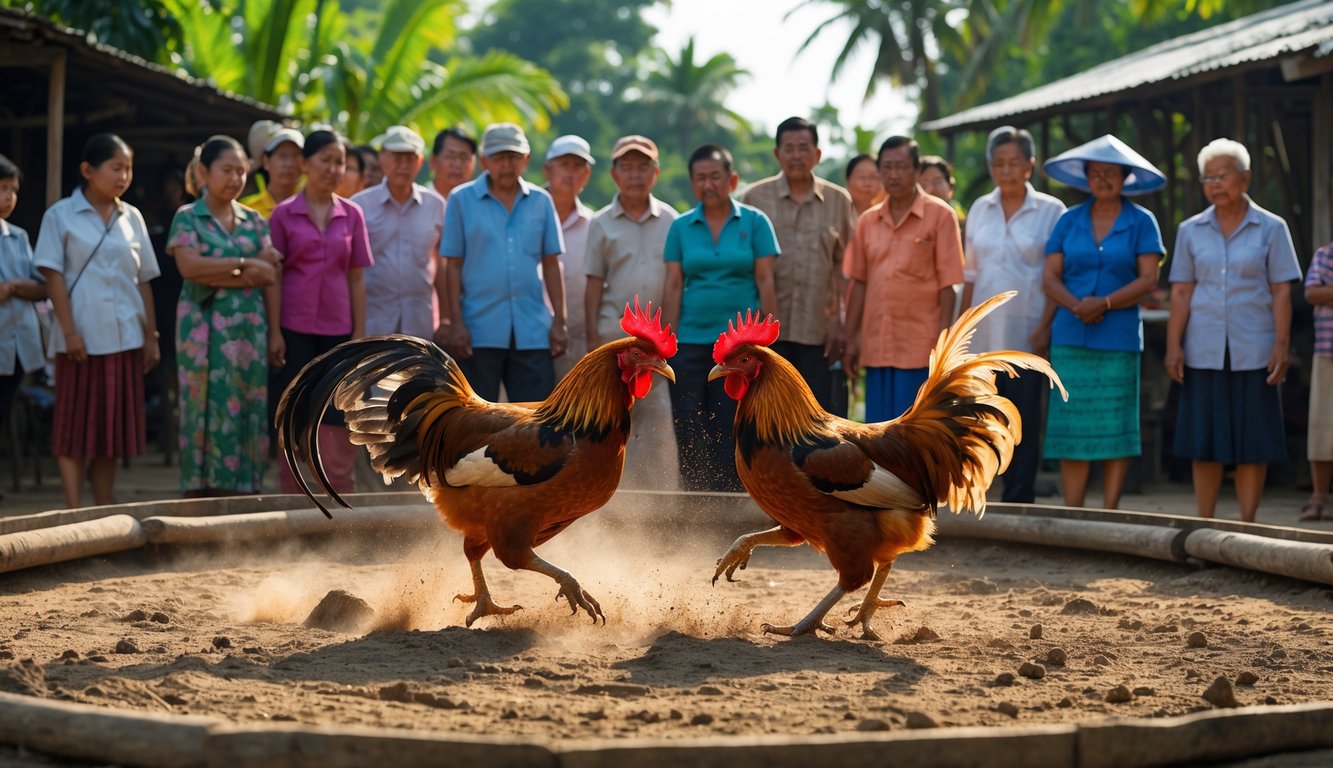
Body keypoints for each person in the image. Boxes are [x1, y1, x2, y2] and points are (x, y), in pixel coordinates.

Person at [1166, 138, 1302, 523]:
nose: (1214, 183)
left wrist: (1281, 344)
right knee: (1203, 440)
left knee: (1252, 441)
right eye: (1207, 177)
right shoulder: (1190, 230)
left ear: (1245, 178)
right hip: (1203, 346)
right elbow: (1180, 291)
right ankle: (1205, 522)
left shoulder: (1272, 228)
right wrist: (1174, 345)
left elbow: (1281, 290)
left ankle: (1247, 524)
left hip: (1254, 346)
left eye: (1222, 175)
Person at [34, 133, 161, 509]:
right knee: (73, 428)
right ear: (88, 170)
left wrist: (150, 336)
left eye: (129, 168)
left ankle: (103, 509)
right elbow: (52, 277)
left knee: (110, 432)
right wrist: (69, 331)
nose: (124, 176)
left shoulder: (132, 217)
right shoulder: (60, 216)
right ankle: (75, 510)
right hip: (81, 339)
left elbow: (144, 281)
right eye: (116, 167)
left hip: (125, 338)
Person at [1042, 134, 1166, 510]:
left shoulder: (1142, 222)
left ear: (1125, 177)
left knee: (1115, 425)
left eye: (1111, 173)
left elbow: (1149, 279)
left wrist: (1107, 303)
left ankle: (1109, 509)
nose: (1103, 180)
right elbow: (1049, 277)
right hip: (1070, 336)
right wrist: (1078, 306)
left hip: (1119, 338)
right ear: (1085, 178)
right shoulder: (1068, 220)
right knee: (1071, 425)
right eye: (1096, 173)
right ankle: (1073, 511)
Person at [168, 136, 281, 497]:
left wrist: (275, 331)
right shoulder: (188, 217)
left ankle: (244, 488)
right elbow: (189, 268)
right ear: (203, 172)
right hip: (201, 330)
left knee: (248, 400)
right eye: (226, 170)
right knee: (203, 401)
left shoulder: (255, 220)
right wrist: (246, 265)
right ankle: (200, 489)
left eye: (241, 171)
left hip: (251, 329)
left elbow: (270, 278)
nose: (235, 178)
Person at [663, 144, 779, 492]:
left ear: (732, 179)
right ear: (692, 183)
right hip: (690, 341)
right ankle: (693, 496)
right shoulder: (681, 227)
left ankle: (730, 498)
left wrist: (768, 342)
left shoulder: (756, 222)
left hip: (739, 345)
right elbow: (673, 284)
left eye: (715, 176)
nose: (708, 184)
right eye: (700, 178)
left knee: (730, 423)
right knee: (686, 420)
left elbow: (766, 281)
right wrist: (665, 345)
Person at [960, 126, 1066, 504]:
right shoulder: (979, 209)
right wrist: (960, 329)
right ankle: (983, 497)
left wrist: (1045, 327)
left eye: (1014, 163)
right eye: (999, 163)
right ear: (990, 166)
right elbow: (970, 275)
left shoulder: (1052, 211)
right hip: (984, 336)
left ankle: (1020, 497)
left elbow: (1056, 274)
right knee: (982, 420)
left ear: (1030, 166)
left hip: (1029, 331)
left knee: (1024, 419)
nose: (1006, 171)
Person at [268, 129, 373, 494]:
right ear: (305, 164)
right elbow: (274, 277)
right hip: (293, 327)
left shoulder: (353, 215)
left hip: (338, 330)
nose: (333, 169)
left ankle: (339, 489)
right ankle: (293, 491)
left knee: (336, 410)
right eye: (324, 160)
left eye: (339, 162)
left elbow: (357, 277)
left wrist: (359, 334)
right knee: (293, 408)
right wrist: (274, 331)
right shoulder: (282, 214)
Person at [438, 122, 566, 402]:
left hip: (532, 330)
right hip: (477, 331)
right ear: (485, 161)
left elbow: (551, 264)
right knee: (477, 422)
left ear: (526, 160)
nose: (506, 165)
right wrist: (455, 323)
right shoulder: (461, 200)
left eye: (513, 157)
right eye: (498, 157)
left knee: (536, 420)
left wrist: (559, 321)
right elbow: (452, 265)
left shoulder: (541, 201)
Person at [843, 135, 965, 423]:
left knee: (917, 438)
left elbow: (950, 284)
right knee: (879, 435)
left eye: (901, 167)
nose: (893, 175)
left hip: (922, 349)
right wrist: (850, 339)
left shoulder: (940, 215)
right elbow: (858, 282)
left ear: (917, 171)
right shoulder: (867, 221)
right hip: (877, 347)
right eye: (887, 167)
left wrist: (944, 342)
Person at [584, 134, 679, 490]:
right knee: (607, 424)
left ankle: (659, 506)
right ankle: (601, 502)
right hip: (612, 338)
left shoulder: (671, 219)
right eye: (627, 167)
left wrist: (670, 337)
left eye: (643, 167)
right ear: (614, 173)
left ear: (655, 173)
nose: (635, 175)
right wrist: (593, 340)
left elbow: (674, 281)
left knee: (655, 426)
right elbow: (594, 283)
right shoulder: (601, 221)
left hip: (654, 343)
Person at [742, 116, 855, 415]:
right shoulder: (755, 198)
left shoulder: (838, 201)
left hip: (819, 331)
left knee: (813, 414)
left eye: (803, 148)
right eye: (788, 148)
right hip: (765, 330)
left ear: (817, 154)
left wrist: (840, 323)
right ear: (777, 154)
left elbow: (845, 268)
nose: (796, 155)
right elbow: (744, 264)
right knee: (766, 413)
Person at [351, 125, 446, 339]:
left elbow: (442, 264)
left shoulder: (436, 205)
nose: (403, 165)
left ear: (420, 162)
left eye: (410, 158)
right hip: (372, 320)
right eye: (397, 157)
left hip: (420, 320)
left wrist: (447, 318)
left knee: (418, 373)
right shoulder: (360, 205)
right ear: (382, 158)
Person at [0, 154, 47, 434]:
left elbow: (42, 287)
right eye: (3, 188)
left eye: (14, 190)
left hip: (17, 345)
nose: (10, 197)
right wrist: (19, 287)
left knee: (3, 411)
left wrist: (12, 287)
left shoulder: (18, 236)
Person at [543, 135, 595, 379]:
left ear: (587, 175)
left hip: (577, 343)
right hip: (526, 342)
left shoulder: (594, 224)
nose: (570, 173)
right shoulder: (525, 214)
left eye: (578, 167)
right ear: (547, 170)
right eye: (564, 165)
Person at [1304, 239, 1333, 522]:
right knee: (1322, 426)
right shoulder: (1325, 254)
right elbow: (1312, 292)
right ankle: (1319, 498)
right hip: (1328, 351)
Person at [240, 124, 303, 219]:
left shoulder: (315, 207)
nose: (289, 164)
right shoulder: (248, 211)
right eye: (282, 156)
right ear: (266, 161)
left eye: (295, 155)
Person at [430, 127, 477, 201]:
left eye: (464, 157)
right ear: (433, 161)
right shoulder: (419, 203)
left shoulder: (481, 203)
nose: (457, 164)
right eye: (450, 156)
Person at [920, 154, 966, 225]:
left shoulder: (963, 225)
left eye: (936, 182)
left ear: (950, 187)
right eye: (923, 184)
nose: (930, 189)